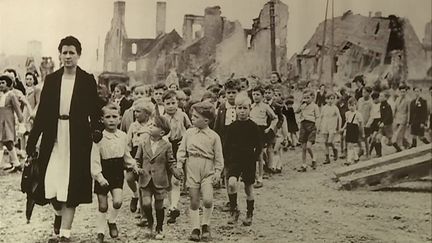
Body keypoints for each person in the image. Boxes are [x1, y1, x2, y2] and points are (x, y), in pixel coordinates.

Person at [26, 36, 103, 242]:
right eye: (64, 52)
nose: (68, 56)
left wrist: (97, 129)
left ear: (78, 55)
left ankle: (65, 234)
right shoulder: (51, 80)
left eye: (72, 53)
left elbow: (96, 110)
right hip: (54, 135)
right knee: (49, 181)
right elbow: (42, 114)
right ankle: (58, 216)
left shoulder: (87, 80)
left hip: (77, 138)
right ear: (59, 54)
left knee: (72, 183)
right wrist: (32, 141)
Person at [90, 103, 138, 243]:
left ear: (120, 119)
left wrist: (134, 165)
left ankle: (112, 221)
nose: (111, 120)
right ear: (102, 119)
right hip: (103, 172)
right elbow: (94, 159)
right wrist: (99, 177)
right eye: (108, 117)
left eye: (114, 117)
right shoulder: (99, 138)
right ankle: (100, 232)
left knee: (117, 202)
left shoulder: (123, 136)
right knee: (103, 205)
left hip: (117, 170)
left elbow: (126, 155)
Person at [177, 101, 223, 242]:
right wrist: (179, 165)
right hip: (192, 167)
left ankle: (206, 224)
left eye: (196, 117)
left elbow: (218, 157)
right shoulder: (189, 133)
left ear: (206, 120)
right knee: (194, 199)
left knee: (208, 199)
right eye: (192, 115)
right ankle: (195, 228)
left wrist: (217, 172)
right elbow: (182, 150)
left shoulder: (214, 136)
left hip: (207, 168)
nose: (192, 118)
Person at [135, 111, 183, 240]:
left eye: (154, 125)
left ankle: (159, 227)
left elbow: (171, 162)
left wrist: (176, 172)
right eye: (150, 124)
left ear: (162, 132)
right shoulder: (143, 143)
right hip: (145, 179)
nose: (150, 126)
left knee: (159, 206)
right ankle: (150, 222)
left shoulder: (166, 145)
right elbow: (137, 159)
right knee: (146, 204)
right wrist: (137, 168)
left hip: (160, 180)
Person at [224, 95, 261, 226]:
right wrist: (227, 160)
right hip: (234, 160)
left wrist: (254, 158)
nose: (242, 111)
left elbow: (259, 145)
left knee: (248, 188)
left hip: (248, 161)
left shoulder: (253, 127)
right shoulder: (232, 127)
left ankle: (249, 213)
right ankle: (234, 210)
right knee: (232, 183)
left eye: (245, 108)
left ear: (249, 109)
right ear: (235, 109)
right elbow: (226, 145)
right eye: (239, 108)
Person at [162, 90, 192, 224]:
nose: (171, 106)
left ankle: (174, 206)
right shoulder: (162, 117)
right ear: (163, 104)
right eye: (168, 103)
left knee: (176, 178)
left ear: (177, 103)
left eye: (173, 103)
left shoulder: (183, 115)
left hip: (179, 146)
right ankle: (170, 204)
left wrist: (185, 140)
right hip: (166, 147)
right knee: (168, 179)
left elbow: (190, 128)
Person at [126, 99, 154, 217]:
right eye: (135, 112)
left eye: (138, 111)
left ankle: (143, 214)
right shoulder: (133, 126)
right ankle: (135, 195)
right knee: (129, 178)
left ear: (147, 114)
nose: (135, 114)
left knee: (143, 185)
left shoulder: (153, 125)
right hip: (134, 155)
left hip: (146, 157)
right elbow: (128, 143)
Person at [250, 85, 277, 188]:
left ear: (262, 96)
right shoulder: (251, 106)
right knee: (251, 153)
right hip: (251, 131)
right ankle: (253, 175)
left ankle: (260, 178)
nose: (255, 97)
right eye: (253, 94)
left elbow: (275, 118)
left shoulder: (265, 106)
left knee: (259, 154)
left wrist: (270, 128)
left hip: (261, 131)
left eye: (258, 94)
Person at [0, 75, 24, 171]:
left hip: (7, 122)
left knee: (9, 142)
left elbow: (17, 109)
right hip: (0, 121)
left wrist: (21, 121)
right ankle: (17, 164)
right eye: (0, 83)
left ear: (8, 84)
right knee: (2, 142)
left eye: (3, 83)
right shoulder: (1, 95)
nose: (1, 85)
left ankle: (17, 163)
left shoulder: (11, 95)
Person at [296, 90, 320, 172]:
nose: (306, 99)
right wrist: (301, 104)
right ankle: (304, 165)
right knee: (303, 147)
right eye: (304, 98)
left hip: (311, 126)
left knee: (309, 146)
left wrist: (317, 126)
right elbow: (297, 111)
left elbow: (317, 117)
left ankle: (314, 158)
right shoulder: (303, 105)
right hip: (303, 125)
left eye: (308, 98)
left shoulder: (315, 106)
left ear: (313, 98)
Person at [318, 93, 341, 164]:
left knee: (330, 142)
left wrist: (339, 127)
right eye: (328, 99)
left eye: (332, 99)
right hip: (325, 126)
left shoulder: (335, 108)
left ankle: (335, 150)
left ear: (334, 100)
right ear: (326, 100)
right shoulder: (324, 107)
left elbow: (339, 118)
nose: (330, 100)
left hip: (332, 127)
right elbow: (320, 117)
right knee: (325, 142)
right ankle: (327, 158)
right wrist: (318, 127)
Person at [342, 97, 364, 165]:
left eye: (353, 105)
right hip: (349, 129)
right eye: (349, 105)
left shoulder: (358, 114)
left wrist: (362, 133)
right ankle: (356, 158)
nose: (351, 107)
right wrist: (343, 128)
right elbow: (347, 122)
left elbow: (361, 125)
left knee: (350, 145)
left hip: (354, 130)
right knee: (349, 145)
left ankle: (349, 160)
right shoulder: (347, 113)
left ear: (356, 105)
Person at [391, 85, 410, 150]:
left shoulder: (408, 100)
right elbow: (395, 109)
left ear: (406, 92)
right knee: (397, 133)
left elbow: (409, 111)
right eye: (401, 92)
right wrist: (393, 117)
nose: (403, 93)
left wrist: (408, 121)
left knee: (400, 133)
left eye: (404, 92)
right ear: (399, 92)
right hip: (397, 118)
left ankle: (401, 146)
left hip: (404, 118)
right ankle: (407, 145)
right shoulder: (398, 99)